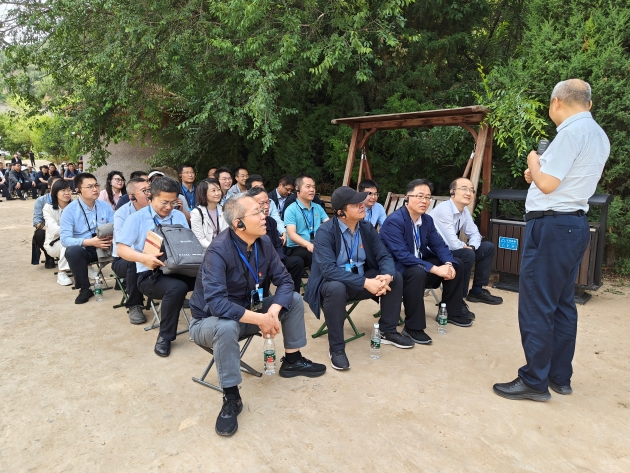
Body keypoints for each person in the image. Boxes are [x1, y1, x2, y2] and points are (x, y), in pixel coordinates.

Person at [493, 79, 610, 401]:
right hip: (573, 225)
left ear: (556, 102)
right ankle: (559, 376)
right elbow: (557, 179)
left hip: (551, 227)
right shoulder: (598, 135)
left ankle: (534, 380)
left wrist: (533, 161)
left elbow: (546, 185)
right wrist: (538, 174)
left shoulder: (570, 133)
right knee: (561, 303)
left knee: (537, 303)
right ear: (588, 103)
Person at [188, 194, 326, 436]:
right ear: (239, 223)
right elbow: (217, 304)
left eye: (264, 210)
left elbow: (285, 281)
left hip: (249, 312)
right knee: (226, 326)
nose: (265, 215)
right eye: (258, 212)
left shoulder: (263, 242)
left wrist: (272, 311)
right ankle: (231, 397)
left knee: (293, 299)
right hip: (209, 322)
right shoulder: (217, 251)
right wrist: (261, 319)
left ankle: (292, 361)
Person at [304, 187, 416, 370]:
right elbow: (329, 270)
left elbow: (384, 255)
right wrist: (365, 282)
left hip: (362, 278)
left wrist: (387, 276)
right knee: (336, 288)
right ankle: (336, 349)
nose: (362, 205)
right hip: (336, 283)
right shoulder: (325, 232)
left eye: (361, 202)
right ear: (341, 212)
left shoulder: (366, 227)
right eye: (355, 204)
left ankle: (387, 331)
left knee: (395, 276)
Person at [117, 177, 196, 357]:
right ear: (151, 197)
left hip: (179, 268)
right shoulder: (136, 219)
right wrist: (144, 258)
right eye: (164, 202)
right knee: (177, 288)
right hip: (150, 274)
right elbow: (121, 249)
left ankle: (206, 326)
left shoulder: (178, 216)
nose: (168, 207)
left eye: (173, 202)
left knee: (209, 276)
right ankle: (165, 337)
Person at [380, 178, 474, 330]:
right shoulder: (394, 221)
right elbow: (402, 255)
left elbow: (439, 245)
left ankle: (452, 312)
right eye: (419, 196)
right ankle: (413, 328)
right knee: (417, 272)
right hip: (398, 269)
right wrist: (435, 269)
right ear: (407, 197)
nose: (424, 201)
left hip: (419, 264)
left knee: (457, 263)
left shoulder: (427, 220)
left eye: (427, 197)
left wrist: (448, 264)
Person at [431, 177, 503, 306]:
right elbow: (452, 243)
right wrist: (467, 248)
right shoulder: (444, 210)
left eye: (471, 190)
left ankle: (477, 291)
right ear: (452, 192)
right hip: (435, 254)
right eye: (464, 189)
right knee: (466, 254)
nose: (468, 193)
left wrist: (472, 246)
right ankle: (458, 299)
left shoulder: (463, 211)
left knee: (487, 248)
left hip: (451, 250)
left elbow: (475, 234)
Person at [60, 173, 115, 304]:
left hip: (106, 245)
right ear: (78, 190)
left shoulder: (105, 206)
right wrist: (90, 242)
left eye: (96, 185)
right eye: (89, 187)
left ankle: (125, 280)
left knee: (126, 244)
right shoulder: (69, 210)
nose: (95, 189)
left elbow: (116, 227)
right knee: (73, 251)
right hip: (86, 248)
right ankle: (85, 288)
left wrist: (112, 238)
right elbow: (65, 239)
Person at [246, 187, 304, 293]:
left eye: (268, 202)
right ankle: (262, 300)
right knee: (263, 273)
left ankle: (290, 294)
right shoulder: (247, 224)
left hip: (274, 259)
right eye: (262, 203)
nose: (266, 206)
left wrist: (278, 261)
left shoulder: (271, 221)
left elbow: (277, 245)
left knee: (297, 262)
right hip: (257, 263)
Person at [111, 177, 152, 324]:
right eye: (144, 191)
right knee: (135, 260)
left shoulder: (155, 210)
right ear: (132, 197)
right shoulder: (122, 214)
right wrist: (142, 254)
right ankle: (134, 304)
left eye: (150, 189)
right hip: (122, 259)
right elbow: (122, 245)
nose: (149, 193)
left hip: (151, 254)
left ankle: (176, 295)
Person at [284, 175, 329, 269]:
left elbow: (329, 225)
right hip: (296, 247)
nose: (312, 190)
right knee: (315, 256)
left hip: (316, 245)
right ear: (297, 188)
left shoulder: (317, 207)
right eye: (308, 187)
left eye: (313, 187)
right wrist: (308, 244)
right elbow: (291, 234)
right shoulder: (291, 209)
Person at [43, 179, 73, 286]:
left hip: (74, 239)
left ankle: (88, 267)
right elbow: (54, 230)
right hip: (54, 244)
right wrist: (74, 230)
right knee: (67, 242)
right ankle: (62, 272)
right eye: (63, 190)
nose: (67, 193)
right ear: (55, 192)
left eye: (69, 190)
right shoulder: (48, 208)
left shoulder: (75, 206)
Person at [245, 174, 286, 242]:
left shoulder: (270, 202)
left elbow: (276, 219)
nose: (266, 206)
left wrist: (284, 232)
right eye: (256, 188)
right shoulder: (244, 206)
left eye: (262, 186)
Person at [190, 178, 228, 249]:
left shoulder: (224, 210)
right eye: (213, 190)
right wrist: (216, 248)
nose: (217, 193)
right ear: (204, 193)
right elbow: (200, 239)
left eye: (219, 189)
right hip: (207, 251)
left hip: (224, 249)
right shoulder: (197, 213)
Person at [32, 176, 61, 267]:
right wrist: (52, 229)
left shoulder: (69, 200)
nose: (59, 187)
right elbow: (37, 222)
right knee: (39, 234)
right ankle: (49, 256)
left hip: (64, 228)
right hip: (47, 228)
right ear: (49, 186)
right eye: (55, 184)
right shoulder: (41, 201)